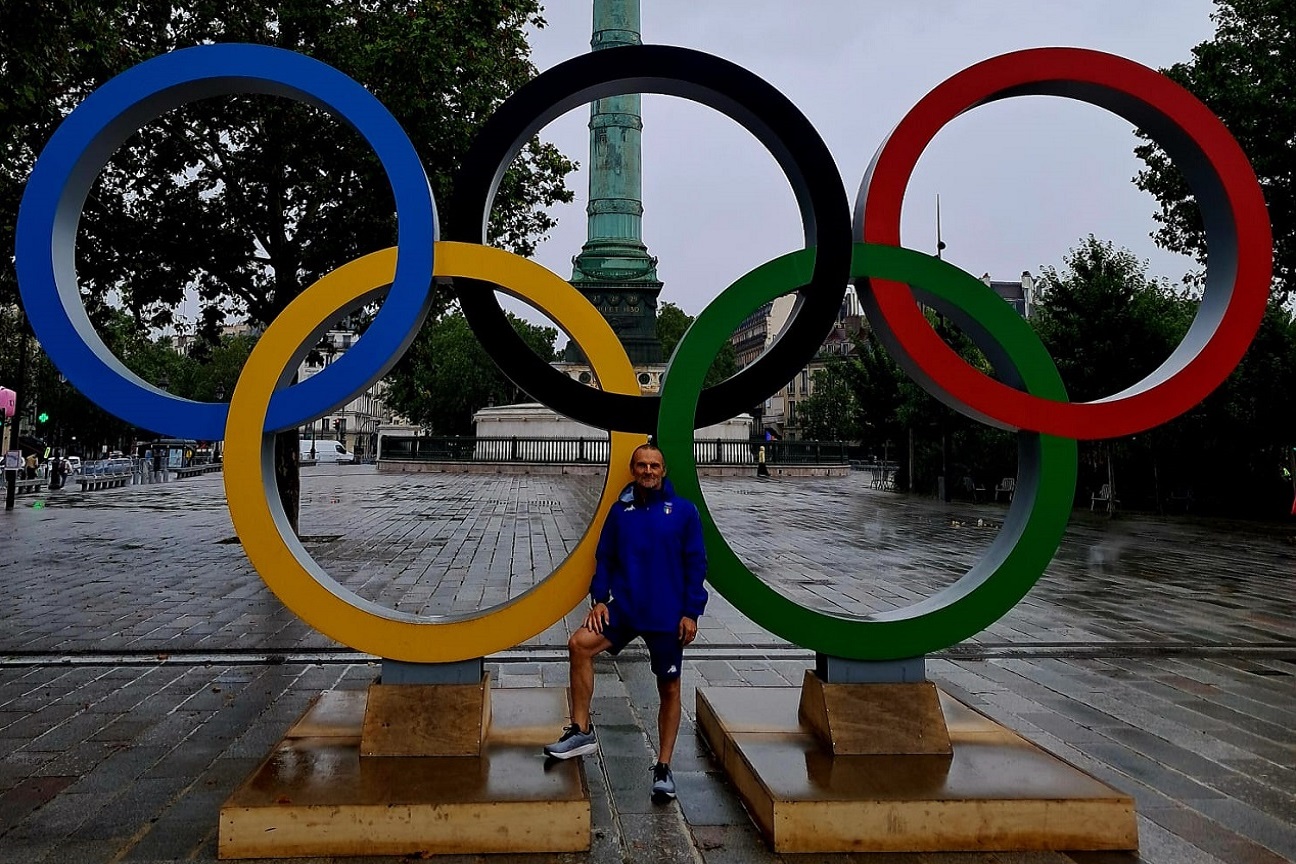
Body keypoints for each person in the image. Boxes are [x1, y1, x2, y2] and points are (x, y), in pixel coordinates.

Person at [543, 442, 708, 802]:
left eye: (654, 466)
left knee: (669, 688)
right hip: (627, 608)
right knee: (579, 645)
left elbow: (697, 564)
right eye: (641, 465)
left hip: (667, 615)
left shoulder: (684, 512)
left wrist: (691, 612)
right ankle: (581, 729)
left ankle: (663, 766)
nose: (648, 471)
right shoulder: (621, 512)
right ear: (633, 470)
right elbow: (605, 557)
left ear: (663, 471)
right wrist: (599, 600)